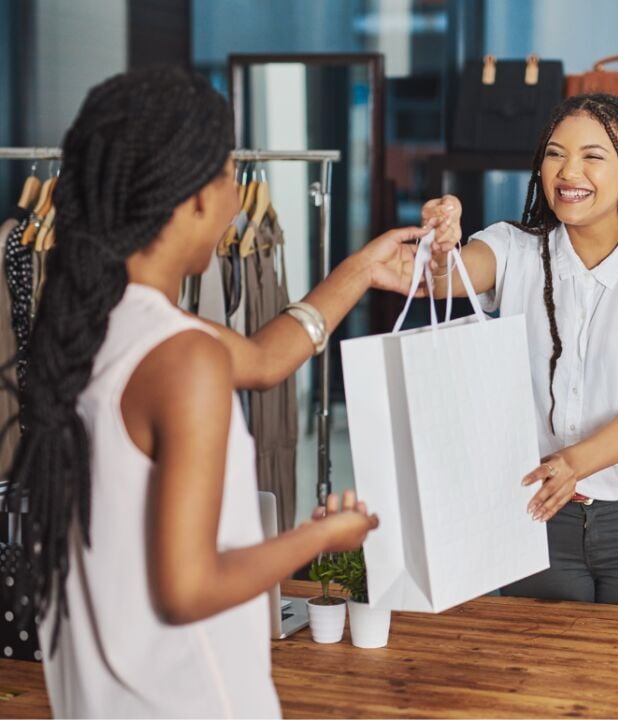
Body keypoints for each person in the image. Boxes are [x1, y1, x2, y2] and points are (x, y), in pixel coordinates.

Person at [6, 66, 441, 718]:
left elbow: (266, 361)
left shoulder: (87, 328)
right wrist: (319, 539)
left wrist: (359, 271)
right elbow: (188, 587)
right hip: (188, 699)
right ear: (193, 200)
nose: (237, 200)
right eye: (226, 178)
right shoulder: (183, 358)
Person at [422, 93, 618, 609]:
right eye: (556, 153)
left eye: (593, 156)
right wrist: (441, 244)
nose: (568, 170)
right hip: (539, 519)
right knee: (535, 682)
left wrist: (569, 465)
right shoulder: (512, 249)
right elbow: (443, 279)